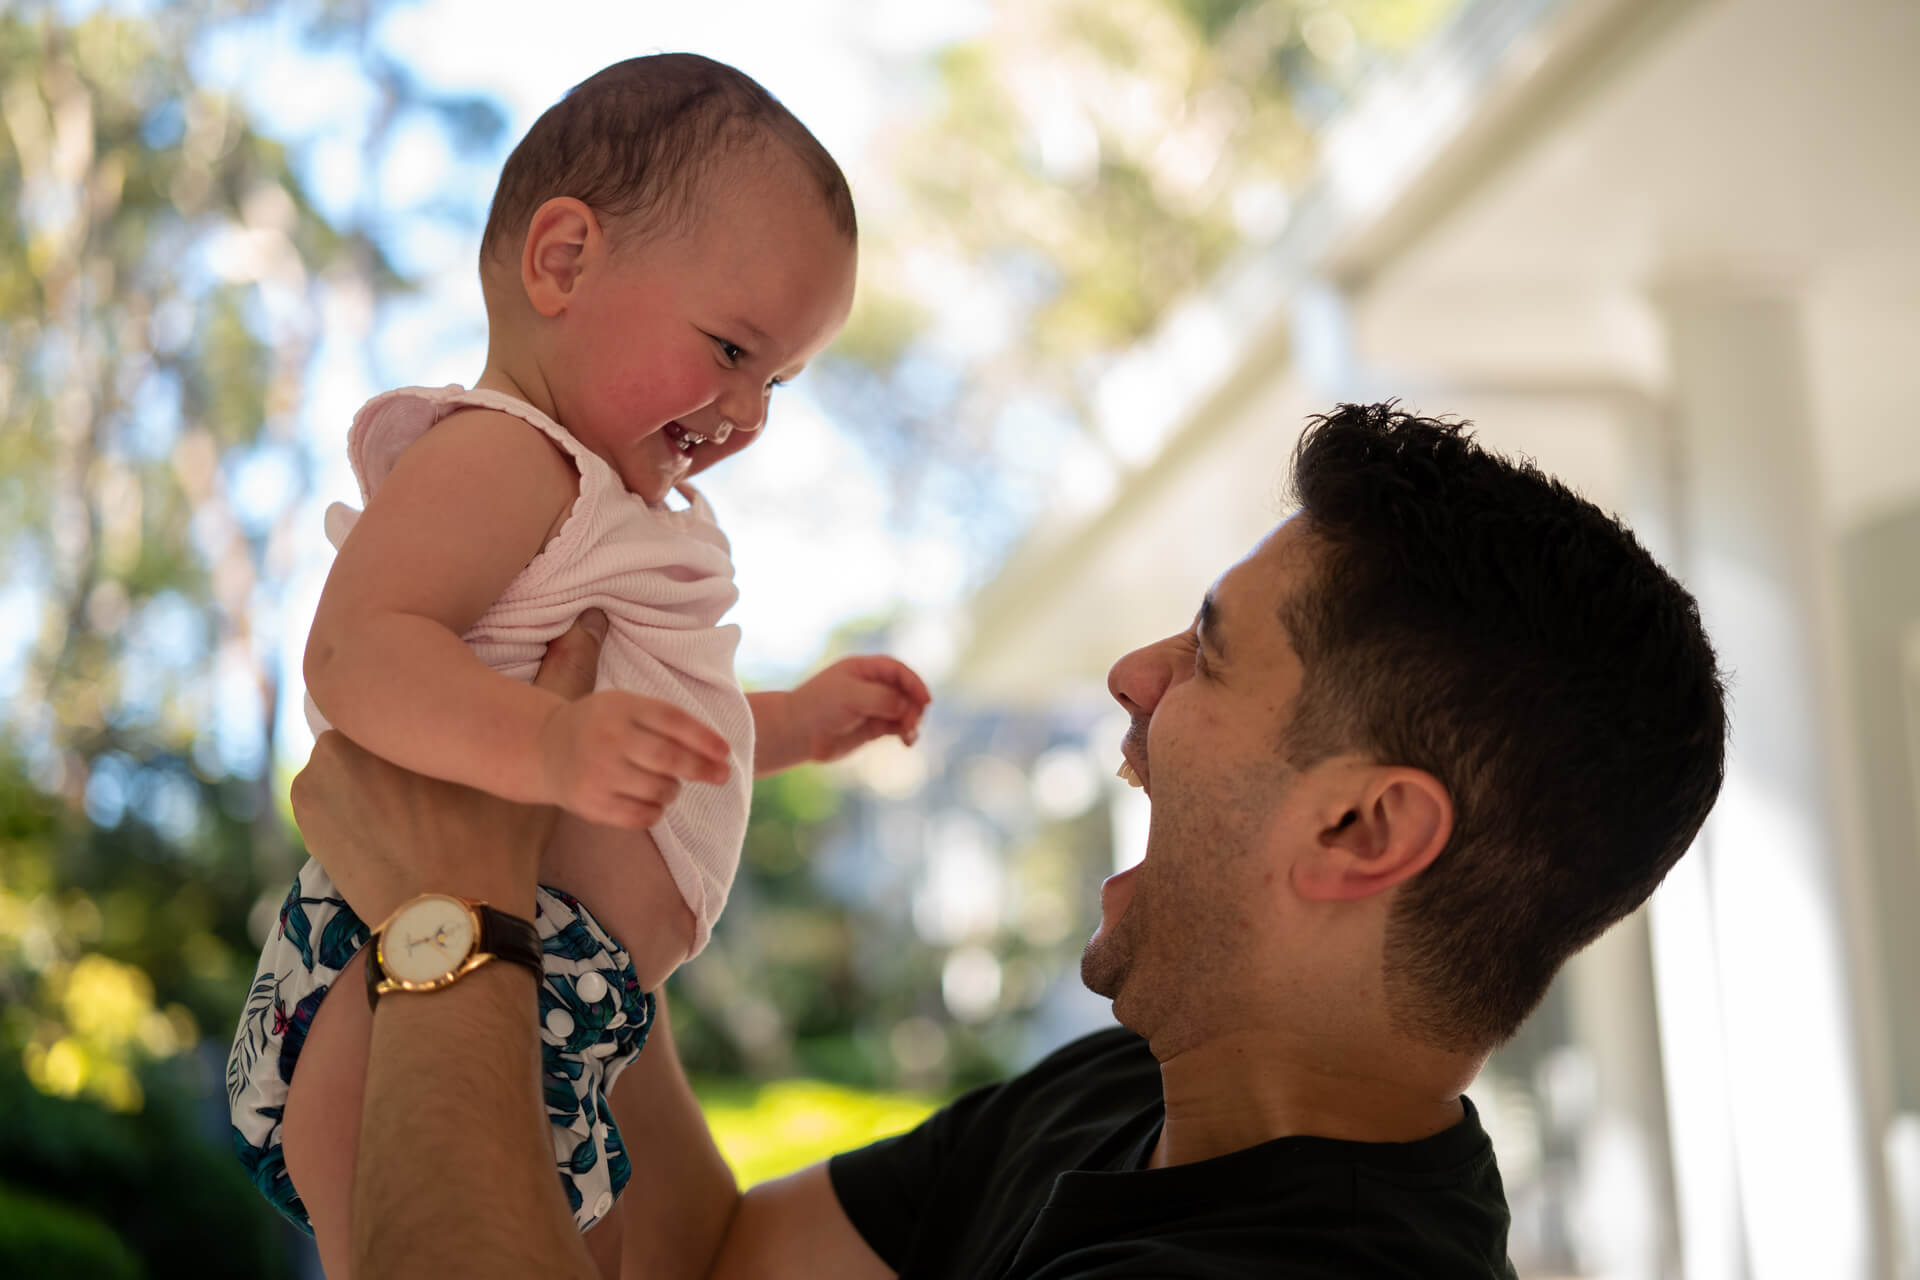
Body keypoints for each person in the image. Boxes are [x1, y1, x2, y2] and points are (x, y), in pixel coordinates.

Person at [291, 403, 1729, 1278]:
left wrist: (451, 915)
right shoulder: (1120, 1100)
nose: (1134, 675)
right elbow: (713, 1263)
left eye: (1210, 654)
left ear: (1360, 826)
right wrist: (587, 883)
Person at [225, 53, 929, 1278]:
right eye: (732, 347)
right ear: (562, 261)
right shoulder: (509, 455)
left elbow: (638, 718)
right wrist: (547, 746)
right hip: (404, 957)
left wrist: (790, 724)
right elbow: (356, 651)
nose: (751, 412)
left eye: (777, 378)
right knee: (409, 1241)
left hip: (558, 989)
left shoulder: (611, 508)